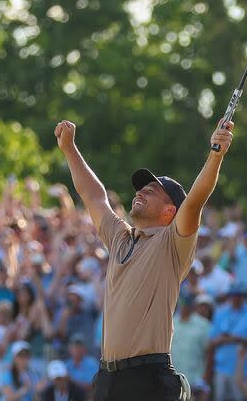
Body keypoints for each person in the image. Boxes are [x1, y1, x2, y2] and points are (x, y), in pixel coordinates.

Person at [54, 118, 235, 401]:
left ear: (170, 211)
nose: (140, 192)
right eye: (141, 188)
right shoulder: (120, 236)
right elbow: (94, 196)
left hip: (148, 379)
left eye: (151, 191)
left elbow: (196, 199)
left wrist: (215, 155)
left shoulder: (173, 242)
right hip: (108, 378)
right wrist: (69, 149)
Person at [209, 285, 247, 401]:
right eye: (233, 295)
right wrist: (221, 340)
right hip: (221, 369)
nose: (236, 298)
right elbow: (211, 341)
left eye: (239, 296)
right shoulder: (221, 313)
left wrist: (240, 339)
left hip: (245, 371)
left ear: (244, 297)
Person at [171, 294, 211, 387]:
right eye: (183, 304)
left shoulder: (203, 324)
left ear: (193, 305)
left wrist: (205, 379)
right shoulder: (171, 323)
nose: (185, 307)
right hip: (175, 379)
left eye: (188, 304)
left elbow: (209, 353)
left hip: (196, 379)